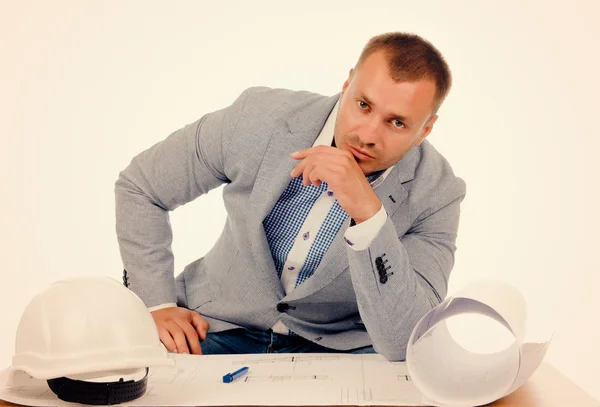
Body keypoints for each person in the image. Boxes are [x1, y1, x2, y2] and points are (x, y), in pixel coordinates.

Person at [115, 32, 466, 361]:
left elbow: (406, 337)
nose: (368, 135)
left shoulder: (438, 193)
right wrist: (155, 304)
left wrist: (369, 215)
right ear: (347, 85)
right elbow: (142, 187)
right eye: (362, 104)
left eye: (397, 123)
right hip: (212, 326)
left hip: (337, 351)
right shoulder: (257, 119)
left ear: (426, 130)